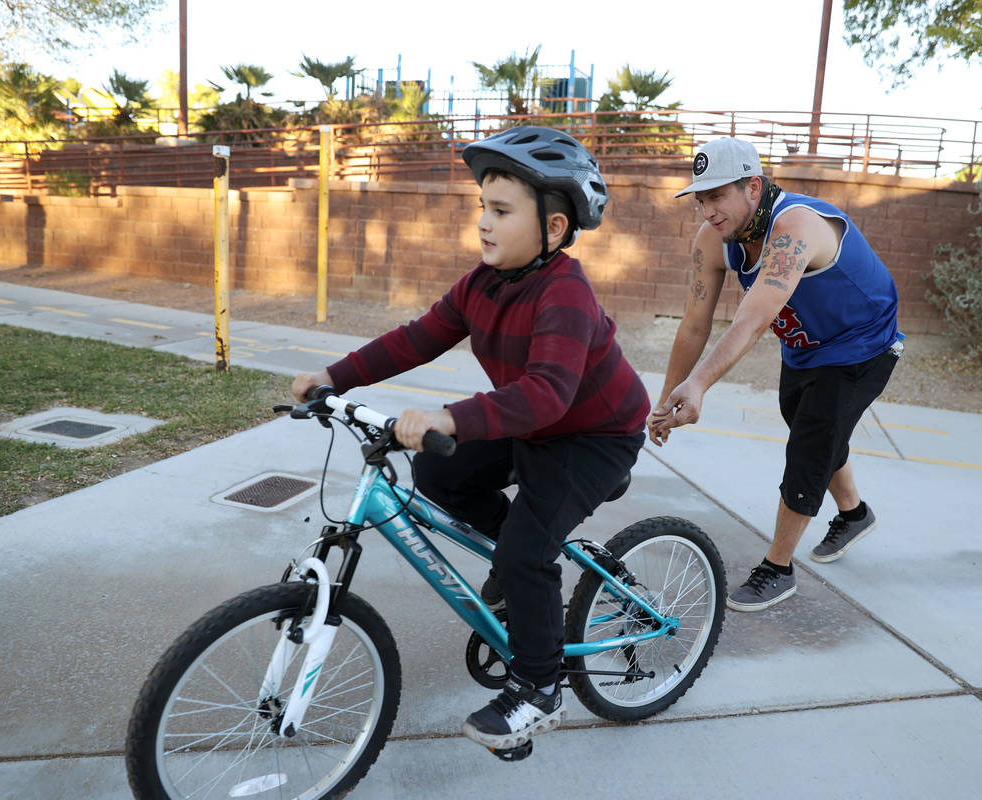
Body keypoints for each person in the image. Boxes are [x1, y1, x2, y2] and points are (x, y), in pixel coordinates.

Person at [291, 126, 650, 751]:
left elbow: (547, 393)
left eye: (502, 211)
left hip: (593, 435)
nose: (484, 222)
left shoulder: (566, 293)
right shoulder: (482, 282)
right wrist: (332, 377)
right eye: (483, 206)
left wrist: (448, 416)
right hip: (530, 423)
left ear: (555, 229)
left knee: (524, 553)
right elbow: (417, 337)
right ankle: (515, 579)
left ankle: (540, 690)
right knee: (440, 475)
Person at [649, 137, 901, 612]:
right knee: (815, 428)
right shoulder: (713, 241)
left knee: (812, 442)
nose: (707, 210)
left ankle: (778, 569)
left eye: (717, 195)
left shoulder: (796, 227)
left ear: (752, 186)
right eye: (700, 199)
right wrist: (666, 399)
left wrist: (700, 384)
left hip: (862, 344)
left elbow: (751, 319)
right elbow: (695, 323)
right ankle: (854, 514)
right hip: (806, 347)